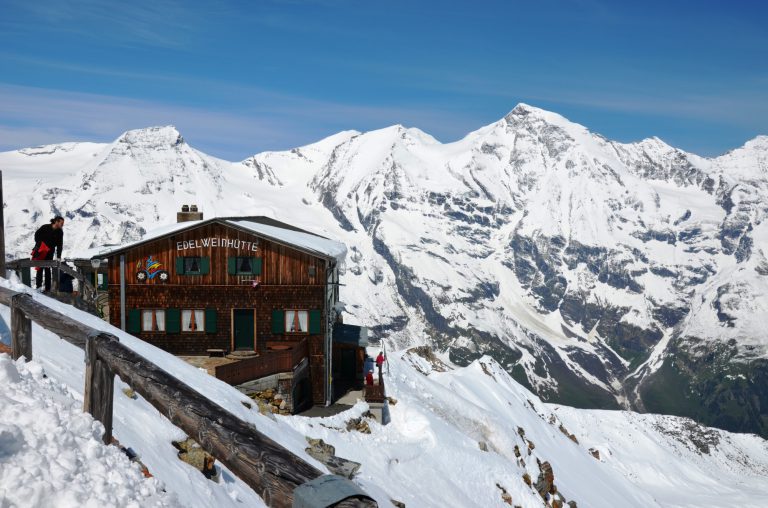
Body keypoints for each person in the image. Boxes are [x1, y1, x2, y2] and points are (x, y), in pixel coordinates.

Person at [32, 216, 64, 293]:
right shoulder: (45, 227)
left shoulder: (60, 232)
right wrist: (40, 243)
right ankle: (38, 288)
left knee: (47, 269)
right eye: (61, 223)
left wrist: (59, 256)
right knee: (39, 269)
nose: (62, 225)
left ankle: (47, 289)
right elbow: (36, 235)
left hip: (50, 251)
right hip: (40, 250)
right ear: (56, 221)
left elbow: (60, 245)